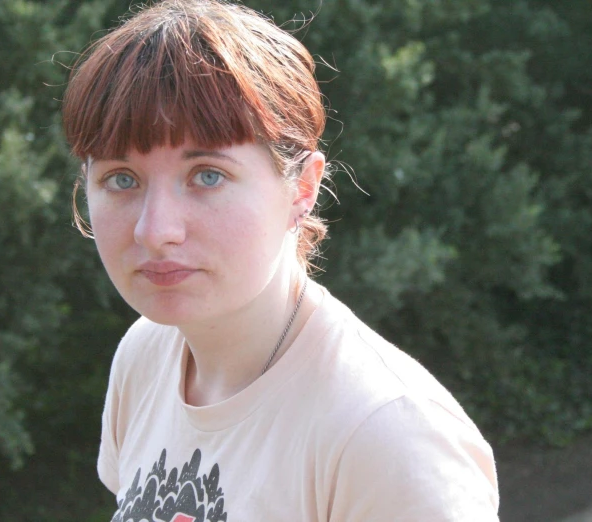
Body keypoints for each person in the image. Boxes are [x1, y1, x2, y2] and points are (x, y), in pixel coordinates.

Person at [61, 0, 500, 520]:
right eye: (122, 179)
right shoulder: (146, 355)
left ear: (302, 188)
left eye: (207, 175)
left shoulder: (387, 437)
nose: (155, 231)